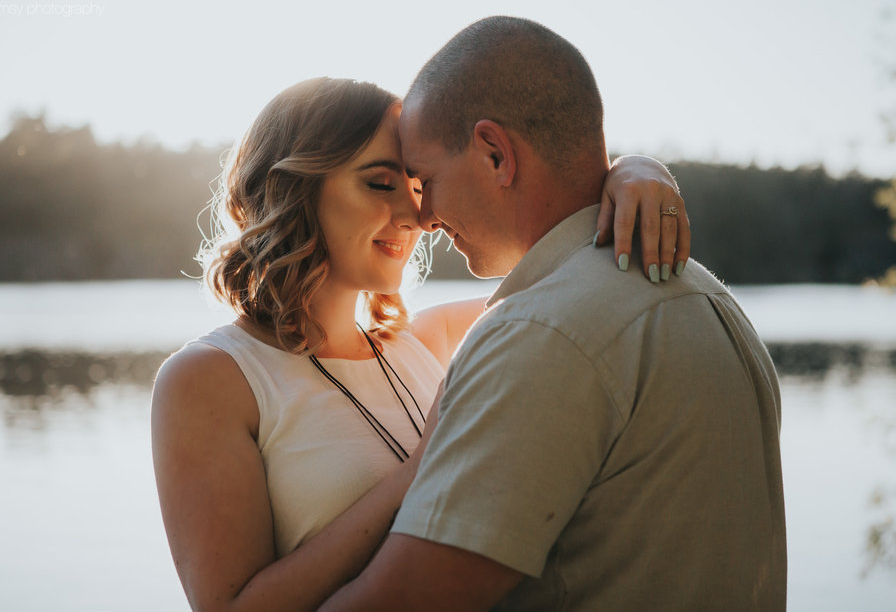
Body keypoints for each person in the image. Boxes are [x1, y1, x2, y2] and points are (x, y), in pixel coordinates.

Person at [151, 76, 689, 611]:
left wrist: (631, 170)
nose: (416, 218)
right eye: (382, 185)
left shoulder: (427, 341)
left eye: (416, 187)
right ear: (291, 188)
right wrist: (422, 466)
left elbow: (567, 284)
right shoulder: (212, 379)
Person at [321, 17, 787, 611]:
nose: (427, 216)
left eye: (426, 179)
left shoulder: (539, 334)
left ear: (495, 155)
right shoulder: (709, 299)